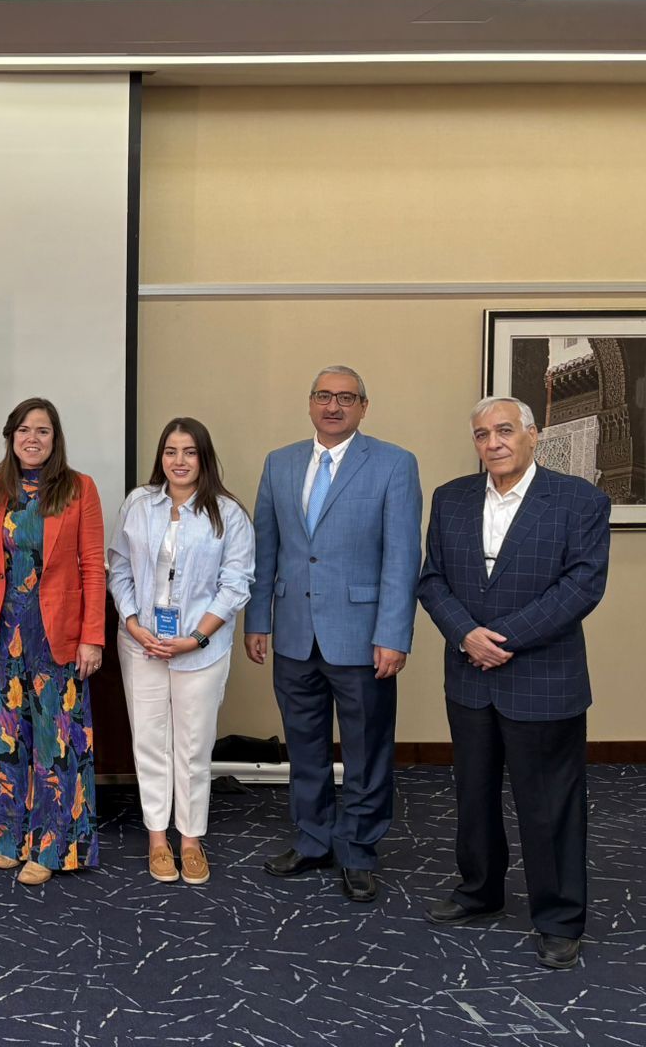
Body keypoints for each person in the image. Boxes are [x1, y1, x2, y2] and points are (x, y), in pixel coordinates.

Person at [417, 396, 610, 970]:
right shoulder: (450, 498)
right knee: (473, 794)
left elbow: (581, 587)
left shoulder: (579, 500)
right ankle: (480, 890)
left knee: (549, 805)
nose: (493, 442)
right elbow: (432, 580)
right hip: (469, 676)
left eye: (504, 430)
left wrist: (501, 639)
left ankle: (559, 917)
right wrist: (466, 635)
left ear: (533, 435)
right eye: (482, 434)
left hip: (543, 678)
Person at [243, 365, 421, 903]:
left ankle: (358, 850)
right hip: (294, 634)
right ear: (310, 403)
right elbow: (266, 548)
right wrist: (258, 620)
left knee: (366, 750)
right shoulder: (280, 463)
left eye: (346, 397)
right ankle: (314, 838)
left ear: (364, 407)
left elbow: (402, 557)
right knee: (304, 746)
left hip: (363, 637)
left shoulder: (393, 463)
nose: (333, 406)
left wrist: (394, 634)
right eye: (324, 395)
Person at [110, 417, 254, 886]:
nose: (179, 461)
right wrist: (134, 625)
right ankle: (157, 837)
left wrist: (196, 638)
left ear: (203, 457)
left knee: (193, 747)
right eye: (171, 451)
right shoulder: (139, 503)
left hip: (200, 649)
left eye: (189, 452)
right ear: (161, 457)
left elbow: (236, 585)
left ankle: (190, 839)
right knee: (150, 742)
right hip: (142, 645)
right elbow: (118, 569)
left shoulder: (228, 514)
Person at [0, 397, 106, 886]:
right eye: (24, 430)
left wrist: (92, 637)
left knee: (57, 744)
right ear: (11, 436)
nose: (33, 439)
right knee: (5, 741)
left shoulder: (79, 488)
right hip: (2, 634)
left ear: (55, 438)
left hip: (58, 634)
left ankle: (53, 849)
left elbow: (93, 568)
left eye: (43, 431)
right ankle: (8, 839)